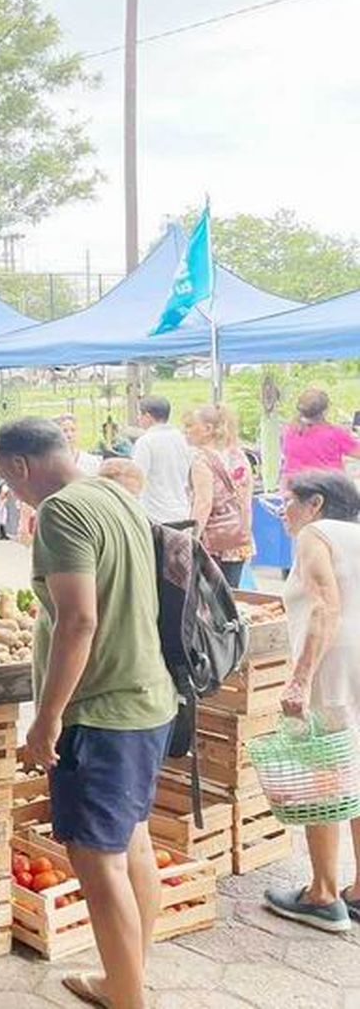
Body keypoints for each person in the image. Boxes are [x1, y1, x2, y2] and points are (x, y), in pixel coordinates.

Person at [0, 418, 176, 1009]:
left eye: (5, 480)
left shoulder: (60, 512)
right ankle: (125, 979)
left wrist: (46, 720)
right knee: (134, 844)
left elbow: (78, 620)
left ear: (19, 466)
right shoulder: (113, 494)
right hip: (148, 700)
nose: (12, 492)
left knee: (98, 864)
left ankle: (126, 997)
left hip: (102, 712)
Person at [263, 470, 360, 932]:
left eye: (290, 501)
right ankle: (359, 891)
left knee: (323, 770)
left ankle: (322, 894)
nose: (285, 511)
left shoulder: (314, 536)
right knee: (356, 768)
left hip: (331, 661)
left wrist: (300, 679)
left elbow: (326, 605)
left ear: (316, 504)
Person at [185, 403, 255, 587]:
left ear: (208, 429)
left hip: (212, 539)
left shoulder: (202, 460)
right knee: (232, 595)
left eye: (191, 425)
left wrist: (192, 538)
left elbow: (203, 504)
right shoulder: (239, 456)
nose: (187, 431)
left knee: (210, 600)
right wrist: (245, 532)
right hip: (237, 538)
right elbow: (246, 501)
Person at [130, 395, 192, 526]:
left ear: (147, 416)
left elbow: (136, 477)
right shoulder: (181, 438)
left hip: (156, 515)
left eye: (139, 415)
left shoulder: (146, 442)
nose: (138, 419)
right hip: (183, 511)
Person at [281, 388, 360, 481]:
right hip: (327, 487)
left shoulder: (289, 431)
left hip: (293, 487)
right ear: (324, 411)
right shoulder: (335, 433)